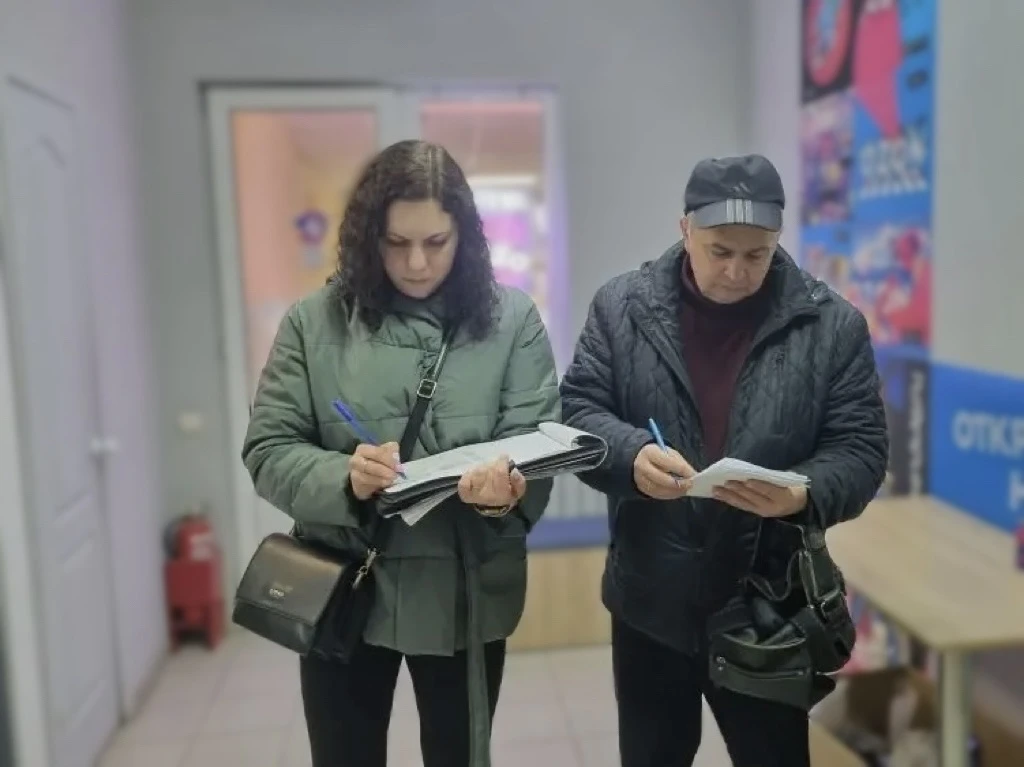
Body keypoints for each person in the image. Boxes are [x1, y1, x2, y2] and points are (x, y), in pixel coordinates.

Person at [560, 154, 888, 767]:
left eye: (756, 254)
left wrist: (804, 492)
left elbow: (862, 448)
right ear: (685, 229)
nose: (737, 271)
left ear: (779, 240)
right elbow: (579, 410)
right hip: (651, 602)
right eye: (720, 251)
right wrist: (631, 455)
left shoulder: (831, 326)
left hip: (769, 603)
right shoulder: (621, 308)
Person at [242, 140, 559, 767]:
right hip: (346, 585)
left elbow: (536, 442)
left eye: (436, 242)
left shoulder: (513, 320)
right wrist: (343, 476)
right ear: (368, 237)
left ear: (465, 237)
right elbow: (268, 448)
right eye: (396, 242)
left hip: (465, 590)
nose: (416, 263)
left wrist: (506, 489)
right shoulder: (314, 322)